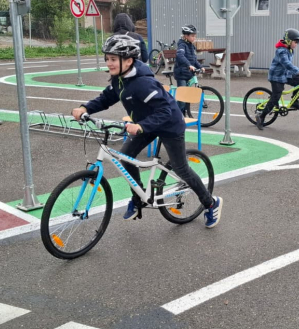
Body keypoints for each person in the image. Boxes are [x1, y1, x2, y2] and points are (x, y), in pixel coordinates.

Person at [71, 34, 223, 228]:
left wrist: (141, 126)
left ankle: (210, 203)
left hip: (169, 124)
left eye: (113, 59)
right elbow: (107, 98)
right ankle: (138, 197)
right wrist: (85, 108)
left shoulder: (143, 83)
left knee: (180, 167)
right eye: (107, 58)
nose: (109, 63)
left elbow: (165, 111)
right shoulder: (120, 79)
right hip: (146, 123)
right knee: (126, 156)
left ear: (128, 60)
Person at [256, 27, 299, 130]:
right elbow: (286, 64)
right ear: (289, 41)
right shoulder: (281, 51)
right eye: (295, 42)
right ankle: (261, 116)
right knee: (276, 96)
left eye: (297, 42)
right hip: (276, 76)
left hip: (285, 74)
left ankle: (294, 102)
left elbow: (297, 37)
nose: (297, 44)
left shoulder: (289, 46)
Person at [173, 24, 203, 113]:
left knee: (186, 96)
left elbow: (194, 60)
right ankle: (177, 116)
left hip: (188, 73)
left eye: (195, 36)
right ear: (186, 36)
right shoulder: (182, 45)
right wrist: (188, 65)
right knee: (182, 99)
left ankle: (183, 114)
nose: (194, 38)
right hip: (181, 74)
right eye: (192, 36)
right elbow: (179, 55)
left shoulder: (191, 45)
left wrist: (200, 67)